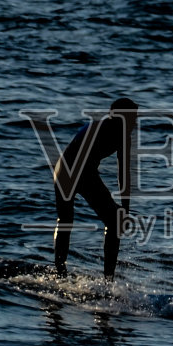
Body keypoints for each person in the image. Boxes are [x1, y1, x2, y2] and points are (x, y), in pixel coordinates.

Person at [52, 97, 136, 278]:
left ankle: (63, 273)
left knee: (67, 220)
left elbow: (124, 173)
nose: (135, 123)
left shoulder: (121, 134)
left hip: (66, 170)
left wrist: (125, 208)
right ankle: (66, 272)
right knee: (107, 221)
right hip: (72, 172)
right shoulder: (108, 130)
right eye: (132, 118)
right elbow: (121, 174)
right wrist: (123, 210)